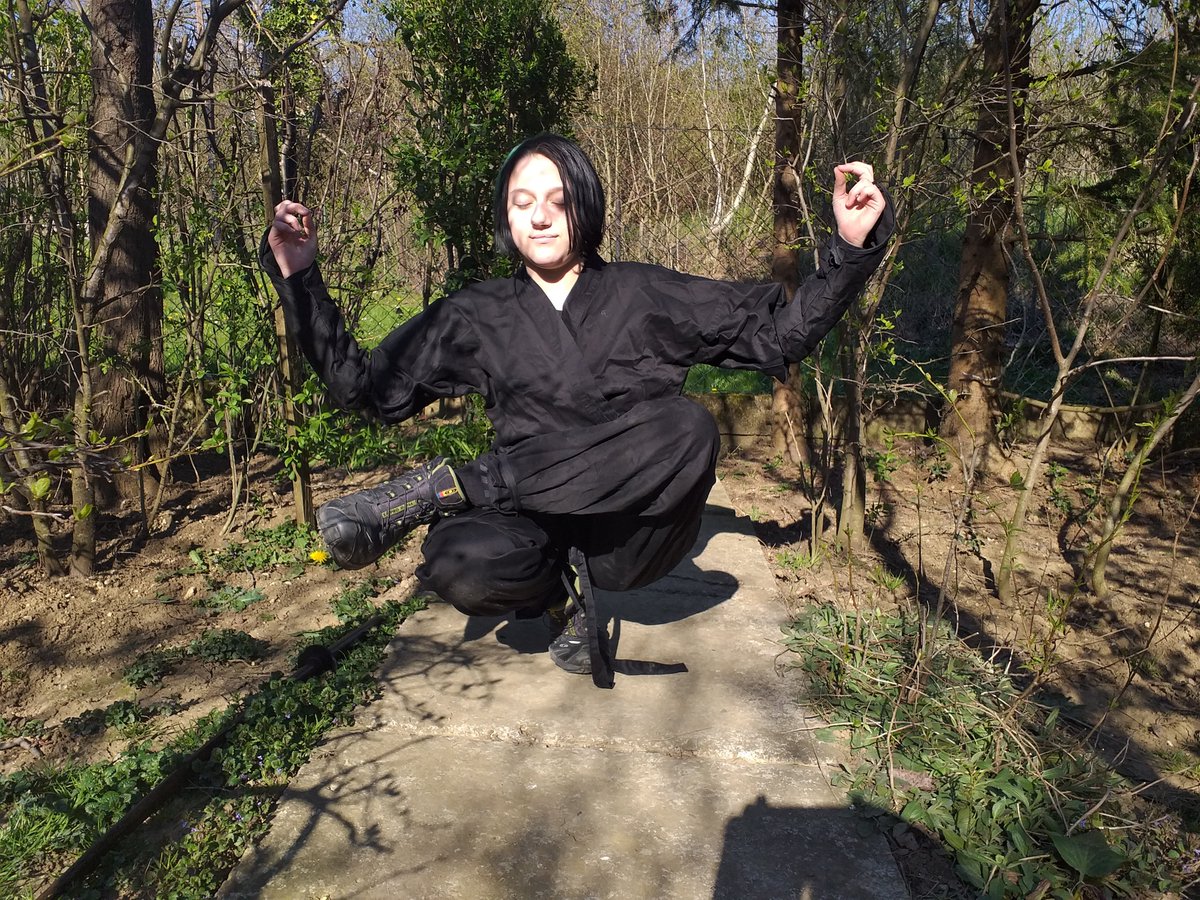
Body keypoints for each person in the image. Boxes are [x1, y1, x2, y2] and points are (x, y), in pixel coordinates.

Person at [262, 133, 892, 684]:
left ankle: (459, 484)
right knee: (457, 560)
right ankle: (558, 599)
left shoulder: (646, 293)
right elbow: (366, 388)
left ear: (585, 206)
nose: (540, 217)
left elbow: (779, 335)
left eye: (558, 201)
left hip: (626, 537)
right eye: (522, 202)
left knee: (690, 427)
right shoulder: (477, 314)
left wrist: (850, 245)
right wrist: (300, 277)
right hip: (529, 522)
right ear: (506, 216)